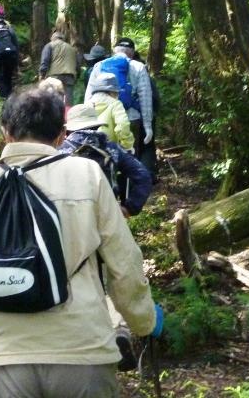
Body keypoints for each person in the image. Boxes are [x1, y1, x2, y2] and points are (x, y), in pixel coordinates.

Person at [0, 89, 156, 397]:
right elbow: (123, 260)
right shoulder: (86, 175)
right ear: (62, 135)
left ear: (6, 133)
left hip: (4, 352)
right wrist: (142, 322)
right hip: (82, 346)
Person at [59, 103, 155, 371]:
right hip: (110, 218)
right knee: (116, 272)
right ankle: (120, 331)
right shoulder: (110, 147)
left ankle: (89, 334)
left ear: (69, 129)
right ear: (95, 124)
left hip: (76, 222)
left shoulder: (62, 152)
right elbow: (142, 176)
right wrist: (129, 207)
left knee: (84, 275)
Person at [85, 41, 154, 167]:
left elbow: (89, 95)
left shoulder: (99, 65)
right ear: (132, 53)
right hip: (131, 119)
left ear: (114, 51)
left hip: (101, 121)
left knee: (103, 157)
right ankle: (127, 184)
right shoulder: (138, 67)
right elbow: (145, 98)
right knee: (129, 159)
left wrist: (86, 122)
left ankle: (107, 183)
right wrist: (147, 125)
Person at [87, 72, 134, 151]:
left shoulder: (88, 104)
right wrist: (127, 146)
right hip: (108, 149)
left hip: (88, 149)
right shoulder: (115, 104)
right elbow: (123, 125)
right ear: (113, 91)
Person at [39, 30, 81, 106]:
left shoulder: (49, 45)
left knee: (54, 99)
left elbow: (45, 61)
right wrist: (77, 76)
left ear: (52, 38)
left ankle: (56, 116)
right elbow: (78, 65)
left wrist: (42, 75)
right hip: (69, 77)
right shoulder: (72, 49)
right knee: (68, 101)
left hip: (54, 77)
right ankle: (67, 115)